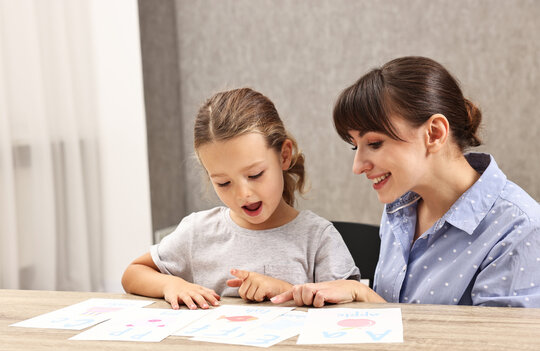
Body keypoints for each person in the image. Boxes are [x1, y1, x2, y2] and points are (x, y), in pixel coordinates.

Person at [272, 56, 540, 308]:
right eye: (356, 147)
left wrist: (365, 295)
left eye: (375, 143)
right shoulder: (400, 208)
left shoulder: (519, 230)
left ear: (434, 133)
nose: (357, 167)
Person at [122, 88, 360, 310]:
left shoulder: (317, 238)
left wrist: (286, 292)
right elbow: (134, 272)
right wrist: (171, 285)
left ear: (284, 156)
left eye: (255, 175)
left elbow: (353, 310)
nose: (242, 194)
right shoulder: (198, 232)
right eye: (223, 183)